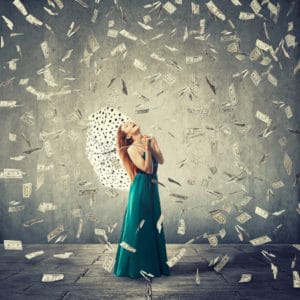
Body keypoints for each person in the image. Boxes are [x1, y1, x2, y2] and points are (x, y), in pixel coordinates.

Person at [113, 121, 170, 279]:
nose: (130, 123)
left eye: (129, 122)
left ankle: (152, 265)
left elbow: (161, 160)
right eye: (127, 126)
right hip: (140, 189)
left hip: (152, 188)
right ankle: (134, 267)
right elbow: (148, 169)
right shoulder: (131, 149)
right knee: (138, 225)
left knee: (152, 224)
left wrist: (153, 144)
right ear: (129, 136)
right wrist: (147, 149)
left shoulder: (150, 139)